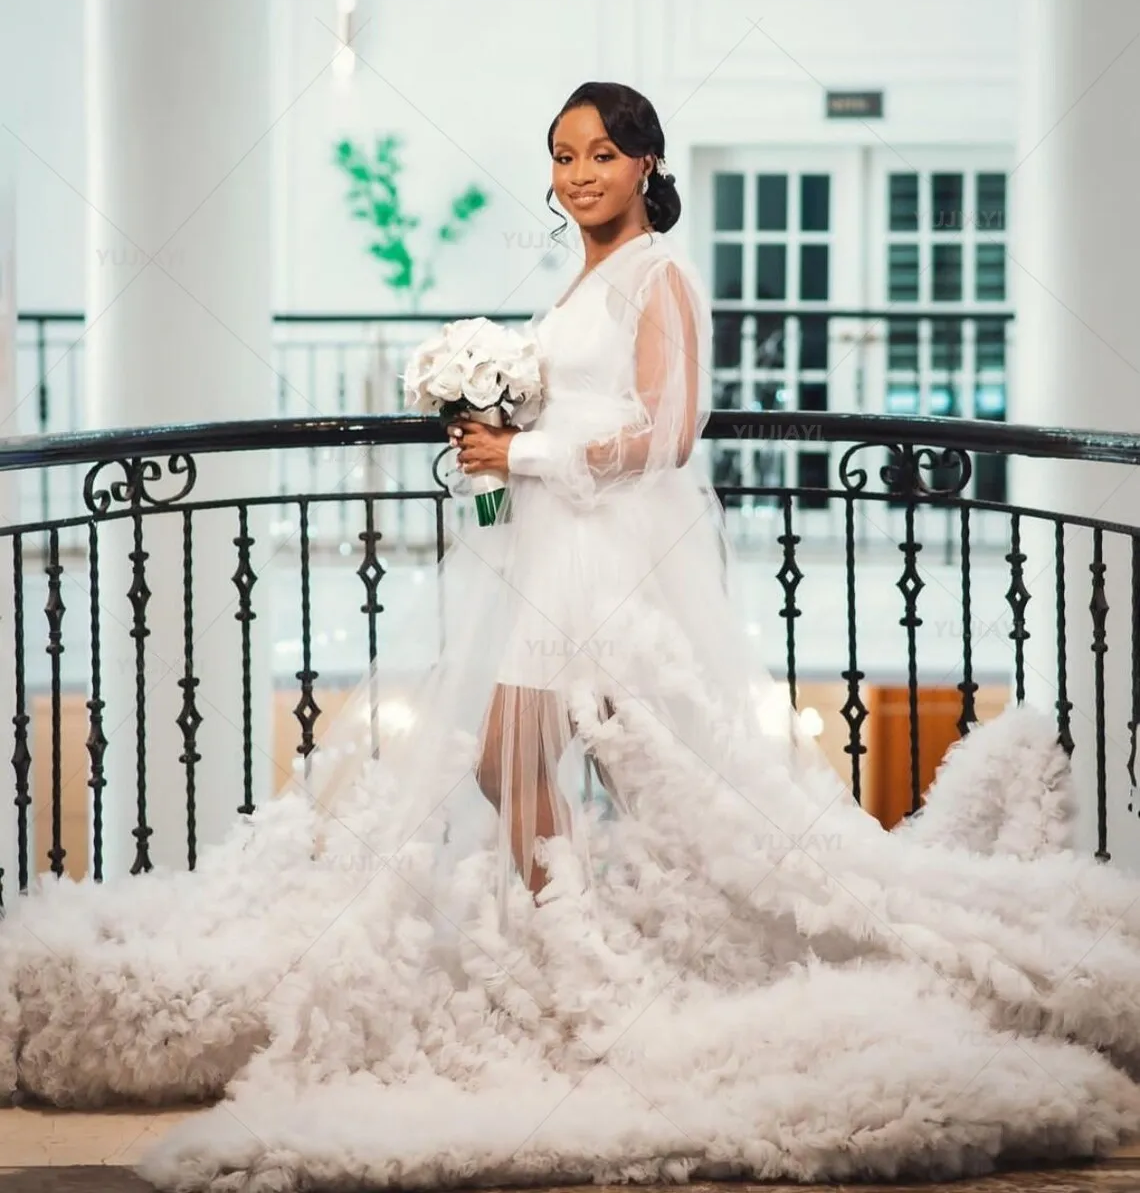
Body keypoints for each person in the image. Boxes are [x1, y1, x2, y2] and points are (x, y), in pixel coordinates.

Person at [4, 81, 1140, 1191]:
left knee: (607, 770)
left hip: (607, 562)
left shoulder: (661, 273)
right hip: (550, 550)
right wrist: (497, 423)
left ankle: (607, 978)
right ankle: (592, 960)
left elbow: (670, 432)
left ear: (646, 162)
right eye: (562, 155)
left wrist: (529, 454)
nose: (579, 174)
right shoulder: (582, 277)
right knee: (529, 763)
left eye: (599, 153)